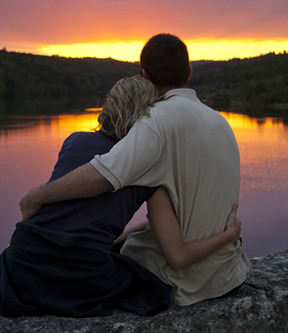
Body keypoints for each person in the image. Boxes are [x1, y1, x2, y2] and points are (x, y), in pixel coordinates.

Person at [0, 77, 241, 317]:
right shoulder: (147, 167)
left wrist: (118, 237)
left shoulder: (74, 140)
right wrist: (229, 235)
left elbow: (76, 213)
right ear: (149, 115)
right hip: (78, 272)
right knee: (151, 288)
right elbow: (177, 254)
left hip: (23, 258)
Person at [19, 34, 252, 306]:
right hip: (227, 274)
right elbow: (182, 216)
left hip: (182, 282)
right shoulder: (221, 123)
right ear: (189, 71)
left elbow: (103, 174)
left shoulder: (155, 122)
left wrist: (38, 196)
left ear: (144, 74)